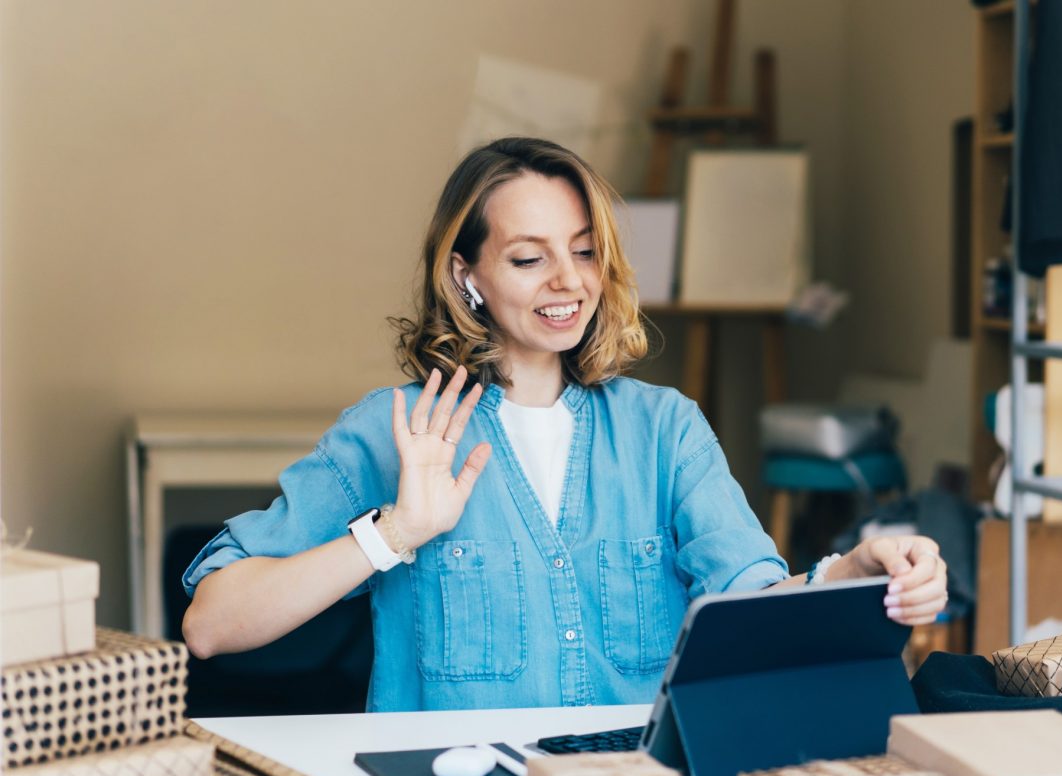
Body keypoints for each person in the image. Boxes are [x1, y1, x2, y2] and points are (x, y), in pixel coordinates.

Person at [181, 137, 948, 712]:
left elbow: (747, 609)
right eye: (527, 258)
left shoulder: (665, 432)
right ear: (466, 274)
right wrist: (394, 533)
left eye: (584, 252)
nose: (567, 282)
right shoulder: (396, 434)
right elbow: (213, 623)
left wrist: (853, 570)